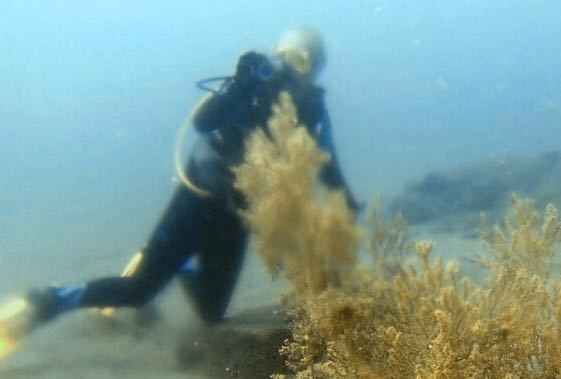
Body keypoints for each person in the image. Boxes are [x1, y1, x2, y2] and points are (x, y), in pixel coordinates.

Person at [0, 27, 357, 358]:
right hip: (199, 196)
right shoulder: (252, 86)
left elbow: (326, 162)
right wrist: (239, 84)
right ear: (278, 55)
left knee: (212, 311)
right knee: (139, 290)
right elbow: (203, 122)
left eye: (305, 63)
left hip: (237, 214)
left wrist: (347, 200)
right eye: (290, 57)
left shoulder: (313, 111)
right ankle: (49, 301)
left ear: (315, 71)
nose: (294, 70)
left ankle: (182, 264)